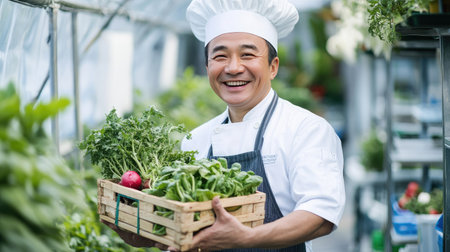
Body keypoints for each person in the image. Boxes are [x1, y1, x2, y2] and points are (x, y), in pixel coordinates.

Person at [103, 0, 345, 251]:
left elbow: (320, 214)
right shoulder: (195, 140)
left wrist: (247, 239)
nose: (233, 68)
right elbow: (188, 228)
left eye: (248, 55)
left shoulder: (306, 130)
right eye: (220, 56)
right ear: (207, 67)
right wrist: (148, 235)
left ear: (273, 67)